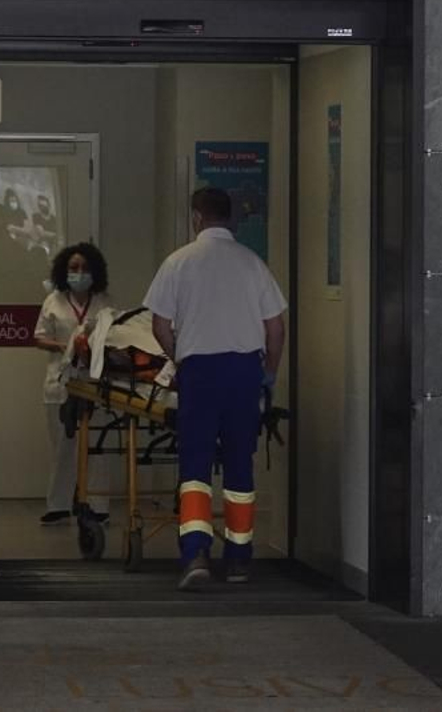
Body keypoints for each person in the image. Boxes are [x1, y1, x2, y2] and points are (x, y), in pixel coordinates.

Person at [143, 187, 287, 590]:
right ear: (232, 219)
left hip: (199, 373)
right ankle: (239, 560)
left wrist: (179, 357)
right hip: (244, 373)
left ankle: (195, 557)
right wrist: (268, 374)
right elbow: (276, 328)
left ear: (196, 218)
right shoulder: (252, 264)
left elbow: (159, 324)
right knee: (240, 465)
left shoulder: (177, 263)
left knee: (196, 468)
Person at [34, 243, 117, 525]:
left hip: (96, 381)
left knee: (97, 445)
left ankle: (98, 504)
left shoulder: (104, 302)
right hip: (61, 382)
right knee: (63, 447)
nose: (79, 273)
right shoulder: (54, 300)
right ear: (64, 271)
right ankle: (59, 504)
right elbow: (38, 337)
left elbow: (115, 337)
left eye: (84, 268)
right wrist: (67, 346)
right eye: (73, 268)